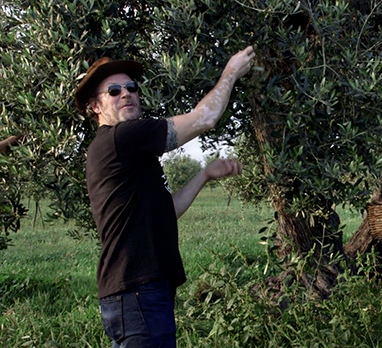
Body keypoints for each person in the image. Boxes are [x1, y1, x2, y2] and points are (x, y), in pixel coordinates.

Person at [75, 46, 255, 347]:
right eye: (114, 91)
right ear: (95, 106)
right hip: (137, 293)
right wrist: (231, 72)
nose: (126, 94)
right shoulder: (122, 138)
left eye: (131, 88)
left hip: (141, 292)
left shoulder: (130, 153)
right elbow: (204, 119)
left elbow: (165, 210)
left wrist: (205, 175)